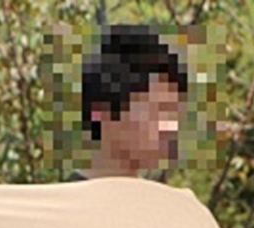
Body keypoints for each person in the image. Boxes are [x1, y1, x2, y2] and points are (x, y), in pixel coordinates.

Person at [80, 24, 188, 179]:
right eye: (159, 110)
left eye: (174, 112)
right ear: (102, 112)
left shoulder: (164, 201)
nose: (170, 127)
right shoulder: (55, 202)